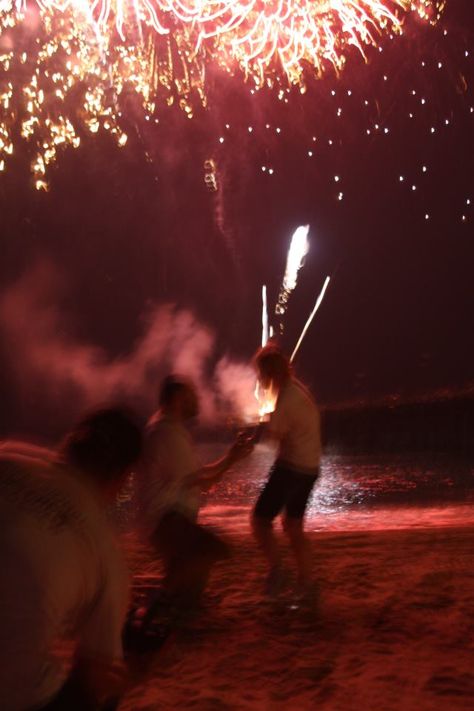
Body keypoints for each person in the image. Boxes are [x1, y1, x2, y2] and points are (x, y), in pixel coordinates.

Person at [0, 407, 142, 711]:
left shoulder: (9, 453)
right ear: (123, 477)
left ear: (68, 441)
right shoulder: (106, 553)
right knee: (101, 684)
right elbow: (97, 669)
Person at [136, 375, 251, 619]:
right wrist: (233, 459)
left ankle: (179, 607)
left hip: (165, 517)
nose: (198, 402)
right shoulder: (167, 434)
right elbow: (204, 481)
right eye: (193, 397)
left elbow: (199, 475)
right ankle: (173, 609)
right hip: (164, 519)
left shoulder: (166, 429)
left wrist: (232, 457)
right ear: (178, 399)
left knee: (189, 559)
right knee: (207, 549)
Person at [251, 344, 321, 596]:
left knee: (259, 521)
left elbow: (271, 440)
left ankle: (278, 570)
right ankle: (307, 582)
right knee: (293, 526)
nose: (259, 380)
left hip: (292, 468)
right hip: (310, 468)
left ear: (268, 374)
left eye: (261, 374)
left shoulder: (286, 398)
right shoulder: (298, 390)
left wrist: (251, 437)